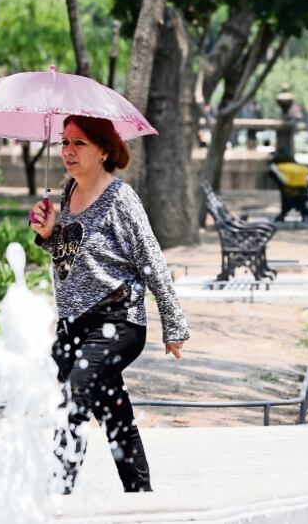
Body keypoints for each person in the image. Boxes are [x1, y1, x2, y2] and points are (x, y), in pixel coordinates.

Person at [28, 115, 189, 494]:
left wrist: (174, 323)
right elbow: (70, 257)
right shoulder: (67, 194)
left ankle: (57, 496)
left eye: (79, 143)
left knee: (75, 395)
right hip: (74, 327)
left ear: (104, 151)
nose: (68, 150)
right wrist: (48, 233)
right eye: (65, 142)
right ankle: (141, 496)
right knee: (115, 415)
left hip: (118, 321)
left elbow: (151, 260)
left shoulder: (120, 199)